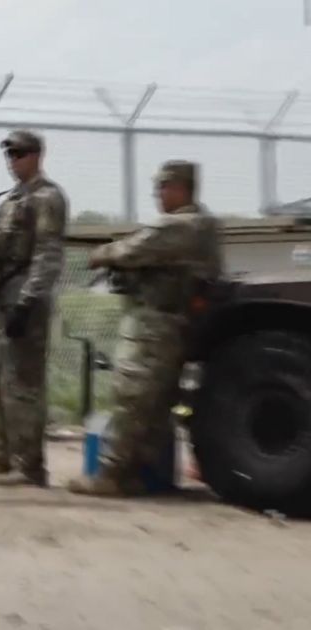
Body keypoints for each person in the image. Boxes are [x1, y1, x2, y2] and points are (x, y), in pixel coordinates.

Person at [68, 160, 223, 497]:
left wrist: (102, 254)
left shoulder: (183, 225)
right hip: (175, 324)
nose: (158, 195)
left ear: (179, 188)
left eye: (162, 188)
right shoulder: (205, 224)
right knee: (154, 404)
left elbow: (134, 249)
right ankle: (137, 474)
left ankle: (111, 473)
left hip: (156, 324)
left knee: (132, 396)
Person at [0, 130, 68, 488]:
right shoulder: (10, 200)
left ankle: (30, 465)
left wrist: (28, 301)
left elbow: (48, 255)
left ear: (37, 155)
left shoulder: (47, 198)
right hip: (0, 302)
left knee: (23, 386)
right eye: (9, 154)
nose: (13, 160)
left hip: (25, 304)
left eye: (19, 153)